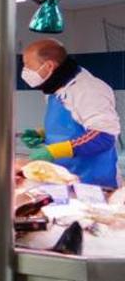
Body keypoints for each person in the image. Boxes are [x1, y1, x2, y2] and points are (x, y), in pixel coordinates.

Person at [21, 38, 121, 188]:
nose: (25, 70)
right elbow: (73, 126)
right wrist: (43, 134)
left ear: (48, 66)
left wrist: (53, 151)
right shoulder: (55, 88)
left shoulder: (89, 89)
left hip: (93, 183)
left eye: (28, 65)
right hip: (63, 180)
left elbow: (103, 136)